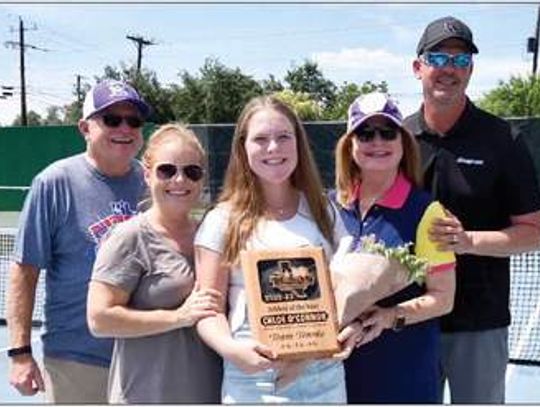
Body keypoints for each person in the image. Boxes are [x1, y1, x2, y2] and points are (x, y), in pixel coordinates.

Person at [403, 16, 540, 404]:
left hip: (479, 323)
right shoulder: (397, 140)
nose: (449, 68)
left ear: (471, 70)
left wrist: (468, 241)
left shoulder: (503, 141)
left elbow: (533, 231)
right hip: (409, 317)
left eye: (461, 61)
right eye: (438, 57)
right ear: (418, 67)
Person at [194, 95, 358, 403]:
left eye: (284, 137)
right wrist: (232, 350)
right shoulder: (221, 220)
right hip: (254, 378)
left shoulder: (323, 210)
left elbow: (348, 289)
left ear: (298, 143)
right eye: (260, 139)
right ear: (243, 147)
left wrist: (354, 326)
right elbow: (207, 310)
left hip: (324, 375)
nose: (273, 148)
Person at [6, 79, 150, 403]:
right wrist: (20, 353)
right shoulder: (54, 183)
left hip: (143, 358)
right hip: (76, 362)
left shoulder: (152, 182)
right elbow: (24, 271)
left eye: (134, 121)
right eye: (111, 119)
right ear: (85, 128)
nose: (125, 128)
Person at [330, 91, 456, 403]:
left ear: (403, 143)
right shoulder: (329, 207)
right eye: (365, 133)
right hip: (333, 374)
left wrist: (388, 317)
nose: (377, 142)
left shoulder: (428, 212)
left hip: (403, 374)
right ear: (350, 145)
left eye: (388, 132)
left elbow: (443, 299)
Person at [86, 123, 223, 403]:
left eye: (192, 172)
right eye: (167, 170)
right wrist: (178, 317)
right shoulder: (129, 237)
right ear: (148, 175)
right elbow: (99, 319)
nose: (180, 180)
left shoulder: (211, 236)